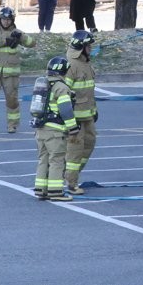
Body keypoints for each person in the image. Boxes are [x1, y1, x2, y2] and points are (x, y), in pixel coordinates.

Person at [0, 7, 36, 134]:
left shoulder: (17, 32)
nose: (6, 22)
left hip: (11, 75)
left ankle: (12, 125)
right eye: (4, 19)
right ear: (0, 19)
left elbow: (32, 43)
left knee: (12, 100)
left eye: (9, 19)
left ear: (12, 20)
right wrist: (5, 41)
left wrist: (22, 37)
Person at [33, 56, 80, 202]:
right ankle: (55, 192)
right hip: (55, 131)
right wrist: (73, 127)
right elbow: (66, 110)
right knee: (57, 161)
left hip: (41, 130)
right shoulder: (61, 87)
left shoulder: (44, 84)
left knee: (43, 160)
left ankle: (41, 190)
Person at [64, 30, 97, 195]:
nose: (91, 48)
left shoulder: (85, 63)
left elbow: (89, 91)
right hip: (75, 117)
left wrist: (94, 109)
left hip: (88, 115)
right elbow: (64, 94)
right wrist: (68, 119)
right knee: (75, 150)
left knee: (89, 144)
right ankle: (71, 182)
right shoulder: (71, 65)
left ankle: (68, 173)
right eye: (88, 45)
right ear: (81, 47)